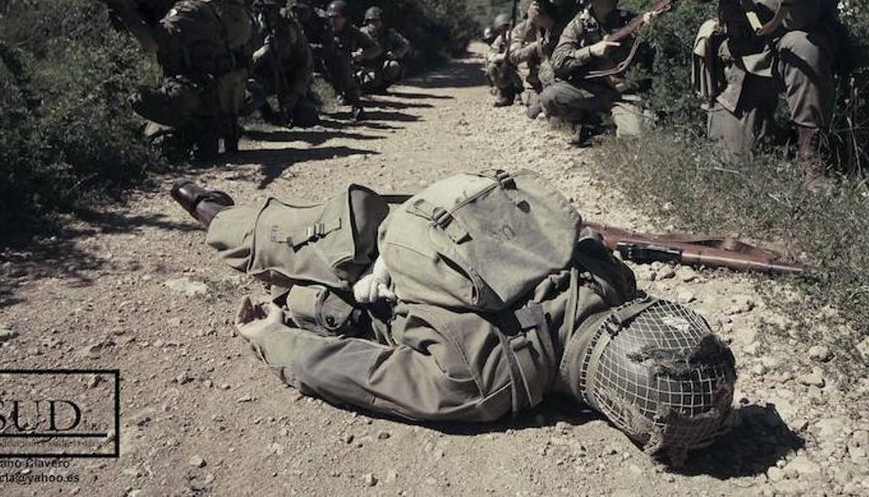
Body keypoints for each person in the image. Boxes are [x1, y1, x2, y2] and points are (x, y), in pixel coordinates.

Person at [169, 171, 737, 467]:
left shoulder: (609, 279)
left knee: (307, 259)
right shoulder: (493, 382)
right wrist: (271, 339)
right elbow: (360, 372)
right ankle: (214, 213)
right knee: (276, 251)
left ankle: (218, 210)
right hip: (386, 255)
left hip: (441, 225)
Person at [684, 0, 840, 195]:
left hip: (788, 51)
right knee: (732, 162)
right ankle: (775, 130)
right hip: (743, 64)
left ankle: (813, 162)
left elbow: (809, 13)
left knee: (804, 46)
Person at [95, 0, 252, 159]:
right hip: (198, 89)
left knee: (140, 99)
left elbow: (151, 45)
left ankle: (198, 128)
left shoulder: (187, 11)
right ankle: (196, 131)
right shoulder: (177, 7)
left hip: (204, 92)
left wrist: (121, 7)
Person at [541, 0, 656, 146]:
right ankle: (590, 121)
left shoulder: (630, 20)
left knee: (634, 138)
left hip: (625, 95)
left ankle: (605, 126)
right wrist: (591, 51)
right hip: (592, 92)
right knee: (551, 97)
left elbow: (653, 56)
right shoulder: (578, 25)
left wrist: (651, 31)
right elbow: (558, 61)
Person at [286, 0, 367, 121]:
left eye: (303, 9)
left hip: (317, 58)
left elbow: (327, 50)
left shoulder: (323, 21)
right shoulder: (286, 19)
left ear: (312, 8)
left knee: (338, 60)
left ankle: (355, 102)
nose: (298, 14)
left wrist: (305, 48)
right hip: (292, 60)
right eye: (295, 9)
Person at [508, 0, 579, 119]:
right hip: (540, 78)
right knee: (534, 108)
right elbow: (514, 54)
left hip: (570, 73)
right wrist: (533, 23)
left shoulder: (577, 14)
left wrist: (550, 26)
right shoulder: (534, 18)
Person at [246, 0, 319, 127]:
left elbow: (305, 64)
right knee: (248, 101)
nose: (269, 13)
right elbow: (237, 64)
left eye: (273, 8)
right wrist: (258, 55)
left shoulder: (291, 28)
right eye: (264, 8)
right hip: (255, 81)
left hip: (285, 80)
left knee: (307, 116)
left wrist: (296, 92)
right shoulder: (247, 27)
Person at [358, 6, 412, 92]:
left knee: (393, 66)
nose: (374, 24)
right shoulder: (360, 33)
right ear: (366, 22)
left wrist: (396, 53)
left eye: (377, 21)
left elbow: (405, 44)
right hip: (364, 64)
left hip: (382, 63)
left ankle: (383, 86)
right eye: (371, 21)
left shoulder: (388, 33)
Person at [483, 12, 522, 106]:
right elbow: (491, 55)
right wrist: (502, 57)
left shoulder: (517, 37)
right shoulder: (500, 40)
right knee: (492, 67)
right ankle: (502, 91)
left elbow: (518, 52)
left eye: (506, 27)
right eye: (501, 29)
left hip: (518, 71)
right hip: (505, 73)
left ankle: (518, 92)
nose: (504, 31)